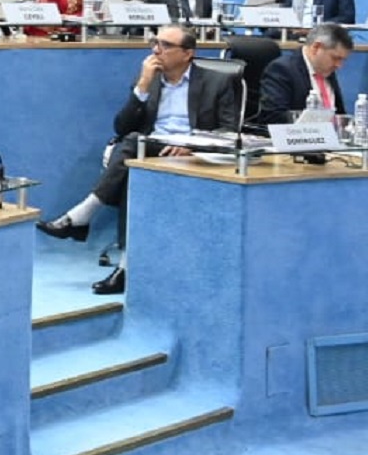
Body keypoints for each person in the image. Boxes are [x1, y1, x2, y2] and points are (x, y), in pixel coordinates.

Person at [36, 25, 240, 296]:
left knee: (132, 153)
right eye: (155, 43)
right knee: (132, 146)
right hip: (152, 148)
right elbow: (121, 127)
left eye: (166, 45)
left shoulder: (218, 82)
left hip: (191, 153)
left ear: (188, 53)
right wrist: (141, 87)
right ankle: (123, 265)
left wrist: (192, 148)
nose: (156, 50)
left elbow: (228, 132)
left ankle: (86, 222)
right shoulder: (149, 79)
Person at [257, 22, 352, 126]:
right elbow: (273, 117)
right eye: (335, 58)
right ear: (316, 48)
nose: (339, 65)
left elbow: (339, 114)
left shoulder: (326, 69)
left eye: (342, 60)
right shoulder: (282, 69)